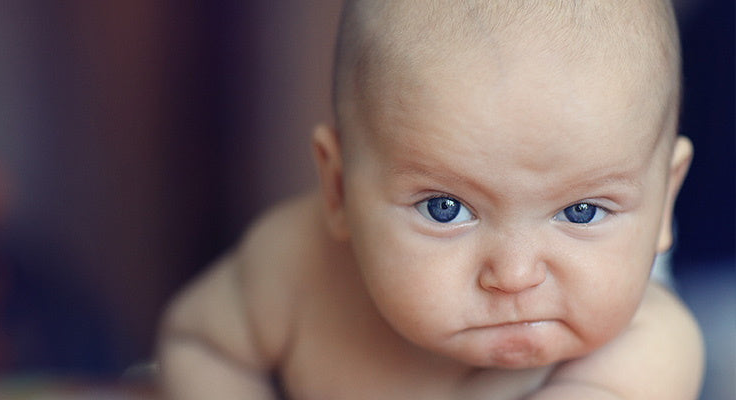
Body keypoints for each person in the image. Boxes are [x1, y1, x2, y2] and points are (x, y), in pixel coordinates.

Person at [157, 0, 705, 398]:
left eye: (581, 211)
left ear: (665, 199)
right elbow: (198, 343)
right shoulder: (294, 269)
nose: (514, 275)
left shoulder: (643, 354)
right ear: (339, 188)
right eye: (446, 208)